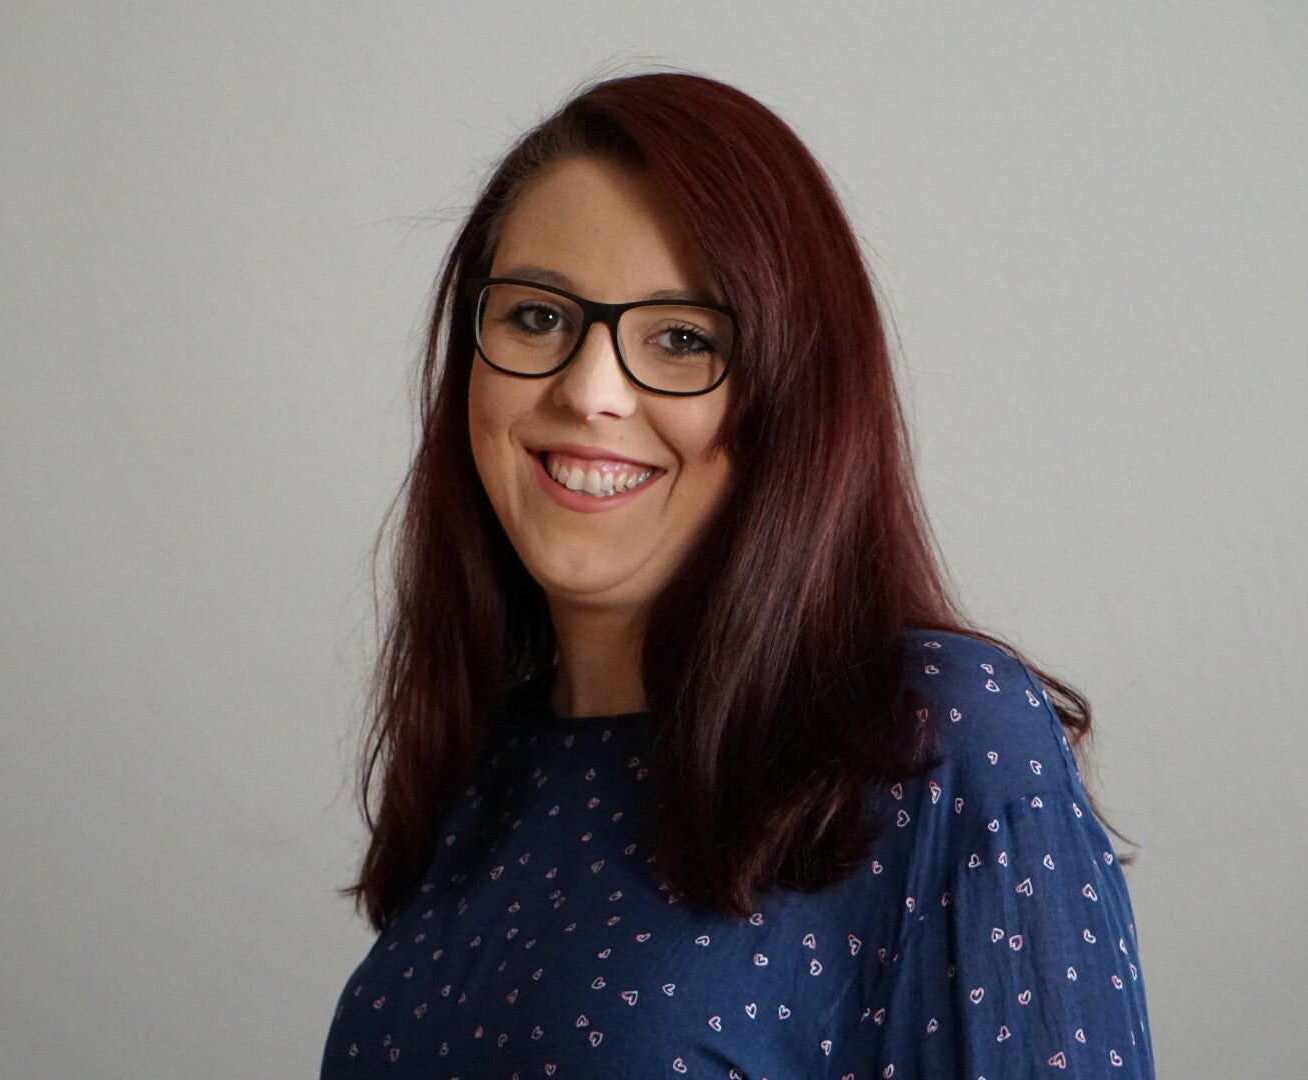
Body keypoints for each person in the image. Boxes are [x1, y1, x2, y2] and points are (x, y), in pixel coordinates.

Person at [320, 70, 1155, 1079]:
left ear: (795, 396)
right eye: (536, 318)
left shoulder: (934, 744)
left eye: (681, 339)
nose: (588, 391)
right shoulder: (485, 770)